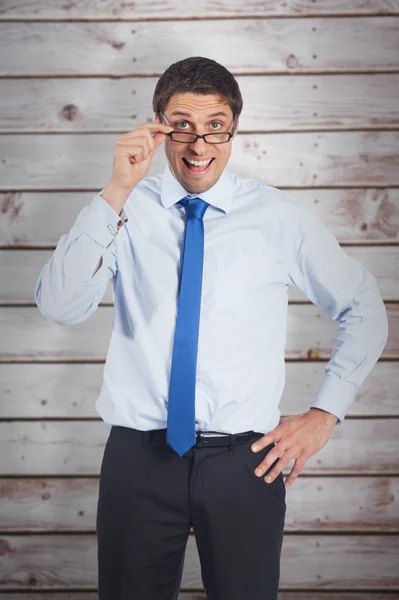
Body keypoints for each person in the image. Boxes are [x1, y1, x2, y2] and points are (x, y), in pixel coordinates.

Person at [34, 56, 389, 599]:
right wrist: (115, 191)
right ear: (159, 127)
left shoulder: (280, 217)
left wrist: (323, 414)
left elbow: (364, 306)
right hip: (139, 459)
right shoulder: (126, 209)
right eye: (183, 125)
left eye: (215, 127)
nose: (199, 145)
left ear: (234, 129)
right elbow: (60, 306)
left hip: (246, 464)